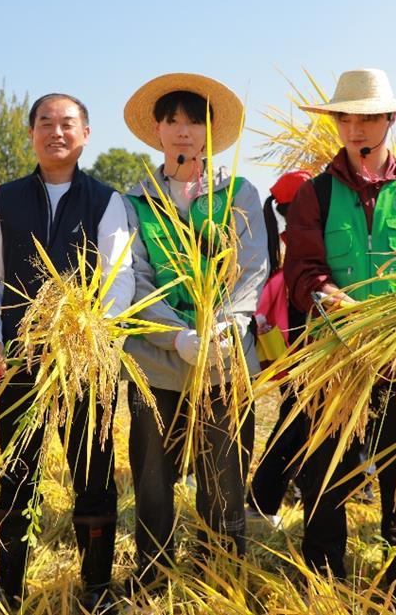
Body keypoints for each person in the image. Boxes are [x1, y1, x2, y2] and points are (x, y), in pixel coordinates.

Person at [283, 69, 396, 610]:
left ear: (390, 120)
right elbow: (302, 271)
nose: (355, 127)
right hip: (335, 359)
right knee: (327, 473)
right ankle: (323, 580)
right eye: (345, 117)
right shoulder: (314, 194)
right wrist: (333, 300)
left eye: (366, 117)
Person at [0, 93, 134, 613]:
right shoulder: (8, 199)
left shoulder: (107, 201)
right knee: (17, 475)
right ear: (31, 134)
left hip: (83, 363)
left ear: (86, 134)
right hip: (21, 360)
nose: (57, 132)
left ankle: (96, 588)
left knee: (93, 474)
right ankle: (9, 588)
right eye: (46, 123)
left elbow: (119, 280)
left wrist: (89, 338)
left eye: (68, 123)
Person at [120, 72, 269, 591]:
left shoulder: (238, 193)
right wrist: (177, 336)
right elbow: (133, 281)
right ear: (157, 130)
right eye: (173, 120)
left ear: (209, 131)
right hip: (156, 366)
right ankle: (153, 580)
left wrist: (221, 329)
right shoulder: (134, 201)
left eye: (194, 121)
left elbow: (252, 269)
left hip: (226, 363)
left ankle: (220, 578)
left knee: (224, 477)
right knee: (154, 480)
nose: (183, 131)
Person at [246, 169, 312, 527]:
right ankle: (261, 502)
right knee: (295, 424)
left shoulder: (281, 240)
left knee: (298, 423)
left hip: (288, 350)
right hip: (303, 349)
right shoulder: (301, 243)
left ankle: (269, 498)